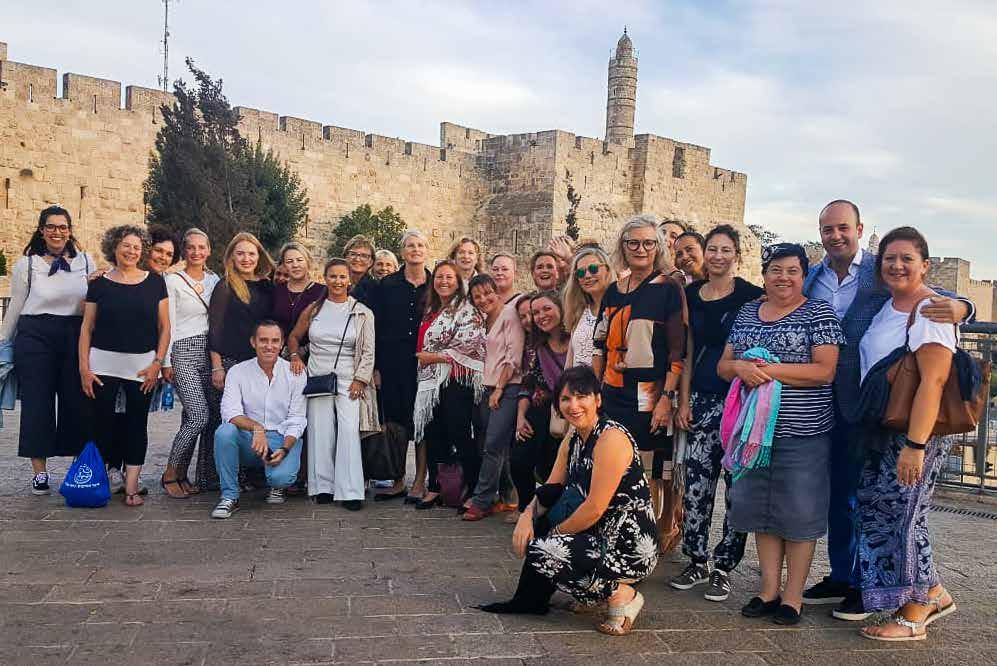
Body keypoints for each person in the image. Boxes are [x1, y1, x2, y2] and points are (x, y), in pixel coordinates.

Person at [800, 200, 973, 619]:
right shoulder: (813, 277)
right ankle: (844, 574)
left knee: (889, 507)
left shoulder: (882, 266)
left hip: (887, 409)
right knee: (844, 493)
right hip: (838, 401)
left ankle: (873, 587)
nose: (835, 236)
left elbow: (937, 301)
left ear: (859, 229)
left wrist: (964, 307)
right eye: (827, 229)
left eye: (843, 227)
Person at [477, 366, 658, 636]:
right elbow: (550, 489)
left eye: (581, 396)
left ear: (597, 400)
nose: (573, 406)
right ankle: (586, 592)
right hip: (597, 534)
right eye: (565, 399)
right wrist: (527, 516)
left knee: (546, 550)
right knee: (540, 531)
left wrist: (554, 536)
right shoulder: (573, 437)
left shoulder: (611, 438)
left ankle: (622, 593)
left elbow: (595, 508)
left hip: (627, 544)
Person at [719, 242, 844, 625]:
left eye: (792, 270)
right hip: (753, 436)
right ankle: (768, 590)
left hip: (802, 432)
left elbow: (824, 370)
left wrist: (769, 371)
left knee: (799, 514)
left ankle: (793, 597)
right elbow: (725, 365)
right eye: (776, 269)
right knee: (763, 512)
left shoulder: (819, 313)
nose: (783, 277)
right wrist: (741, 367)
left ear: (804, 275)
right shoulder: (747, 312)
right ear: (764, 274)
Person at [855, 227, 959, 642]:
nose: (896, 266)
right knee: (883, 512)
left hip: (913, 434)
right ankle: (931, 590)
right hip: (884, 430)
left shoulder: (930, 310)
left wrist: (916, 446)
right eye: (888, 259)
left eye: (906, 259)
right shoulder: (892, 305)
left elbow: (932, 382)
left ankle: (916, 612)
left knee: (905, 515)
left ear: (925, 265)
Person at [671, 224, 762, 601]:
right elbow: (689, 349)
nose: (718, 256)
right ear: (704, 254)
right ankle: (696, 558)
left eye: (726, 250)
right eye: (713, 249)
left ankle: (725, 564)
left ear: (736, 255)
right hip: (704, 397)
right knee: (696, 483)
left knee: (737, 486)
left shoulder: (750, 296)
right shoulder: (692, 294)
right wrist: (684, 397)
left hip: (739, 400)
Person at [592, 214, 686, 555]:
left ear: (657, 247)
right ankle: (624, 525)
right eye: (634, 243)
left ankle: (656, 527)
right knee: (618, 459)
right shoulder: (615, 290)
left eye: (648, 243)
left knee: (653, 463)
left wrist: (667, 396)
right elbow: (599, 341)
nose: (641, 249)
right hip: (614, 388)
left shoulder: (667, 288)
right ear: (623, 246)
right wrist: (598, 388)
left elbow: (678, 348)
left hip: (650, 389)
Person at [0, 206, 94, 494]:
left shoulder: (86, 262)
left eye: (62, 227)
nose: (57, 232)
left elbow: (93, 301)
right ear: (42, 230)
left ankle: (78, 467)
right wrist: (3, 344)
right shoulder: (26, 265)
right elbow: (15, 306)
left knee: (76, 402)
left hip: (73, 334)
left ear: (70, 230)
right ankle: (40, 473)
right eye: (51, 227)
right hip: (35, 335)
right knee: (37, 404)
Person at [79, 225, 170, 507]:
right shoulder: (99, 283)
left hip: (141, 365)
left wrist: (157, 363)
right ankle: (100, 481)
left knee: (136, 424)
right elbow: (87, 327)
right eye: (125, 245)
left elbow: (165, 327)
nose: (131, 251)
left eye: (136, 247)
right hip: (102, 364)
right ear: (114, 248)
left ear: (142, 251)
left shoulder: (155, 282)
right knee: (100, 424)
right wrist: (84, 368)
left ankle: (131, 486)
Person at [288, 259, 378, 510]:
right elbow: (294, 336)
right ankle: (323, 487)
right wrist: (295, 356)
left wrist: (361, 378)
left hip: (350, 377)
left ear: (349, 280)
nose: (337, 282)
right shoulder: (314, 309)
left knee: (349, 430)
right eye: (332, 277)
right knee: (320, 429)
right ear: (325, 278)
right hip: (318, 375)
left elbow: (368, 350)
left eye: (342, 277)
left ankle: (350, 490)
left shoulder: (362, 312)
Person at [199, 232, 276, 490]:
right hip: (230, 363)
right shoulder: (225, 286)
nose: (246, 258)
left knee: (255, 417)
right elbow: (215, 329)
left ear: (259, 256)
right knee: (227, 420)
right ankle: (215, 477)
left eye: (251, 254)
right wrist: (217, 365)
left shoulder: (266, 285)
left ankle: (252, 474)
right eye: (240, 253)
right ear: (231, 256)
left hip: (257, 363)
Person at [210, 320, 306, 518]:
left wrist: (285, 448)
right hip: (250, 440)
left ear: (282, 344)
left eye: (274, 341)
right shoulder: (238, 371)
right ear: (253, 342)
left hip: (281, 438)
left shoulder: (295, 373)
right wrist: (257, 428)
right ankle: (230, 496)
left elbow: (297, 419)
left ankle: (277, 485)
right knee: (224, 432)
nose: (269, 346)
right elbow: (229, 412)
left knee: (281, 478)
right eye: (263, 340)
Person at [411, 260, 486, 509]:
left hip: (456, 380)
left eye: (449, 278)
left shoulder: (466, 309)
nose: (443, 281)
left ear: (458, 282)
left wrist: (434, 357)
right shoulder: (431, 308)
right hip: (430, 382)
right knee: (433, 434)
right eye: (439, 277)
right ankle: (435, 487)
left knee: (459, 433)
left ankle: (474, 489)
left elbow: (471, 343)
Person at [370, 230, 432, 502]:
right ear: (403, 252)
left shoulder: (435, 283)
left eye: (420, 245)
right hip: (392, 364)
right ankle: (398, 480)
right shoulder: (388, 285)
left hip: (425, 365)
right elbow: (376, 327)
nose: (415, 250)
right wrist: (375, 367)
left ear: (426, 250)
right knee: (396, 423)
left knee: (421, 423)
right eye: (410, 245)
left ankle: (420, 480)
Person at [160, 228, 220, 498]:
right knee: (198, 415)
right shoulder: (172, 280)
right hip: (183, 350)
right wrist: (165, 360)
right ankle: (170, 473)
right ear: (184, 252)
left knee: (204, 419)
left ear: (209, 250)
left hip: (209, 351)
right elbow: (167, 321)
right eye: (191, 247)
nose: (197, 252)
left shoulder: (215, 280)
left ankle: (200, 476)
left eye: (202, 247)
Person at [464, 274, 527, 521]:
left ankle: (482, 500)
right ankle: (507, 495)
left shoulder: (509, 315)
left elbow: (514, 356)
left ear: (496, 291)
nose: (483, 299)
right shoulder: (483, 318)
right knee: (492, 443)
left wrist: (500, 388)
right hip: (486, 387)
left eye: (487, 293)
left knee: (493, 443)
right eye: (477, 296)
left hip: (507, 387)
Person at [513, 291, 571, 513]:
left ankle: (556, 512)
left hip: (571, 411)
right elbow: (527, 386)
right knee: (518, 460)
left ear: (561, 309)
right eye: (535, 312)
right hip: (541, 410)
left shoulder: (577, 339)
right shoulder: (537, 348)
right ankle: (527, 510)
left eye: (547, 309)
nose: (541, 316)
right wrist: (520, 418)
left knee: (555, 468)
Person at [563, 246, 615, 368]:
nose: (587, 276)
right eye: (580, 272)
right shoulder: (578, 310)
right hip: (576, 383)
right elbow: (570, 359)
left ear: (607, 270)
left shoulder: (619, 308)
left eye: (593, 269)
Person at [271, 242, 324, 339]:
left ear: (308, 262)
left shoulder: (322, 292)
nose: (295, 265)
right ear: (284, 265)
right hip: (276, 350)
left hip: (312, 351)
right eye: (289, 261)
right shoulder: (275, 291)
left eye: (300, 260)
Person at [344, 235, 378, 305]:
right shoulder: (334, 284)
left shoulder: (376, 289)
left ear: (371, 262)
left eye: (364, 256)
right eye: (353, 254)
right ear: (345, 257)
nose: (357, 259)